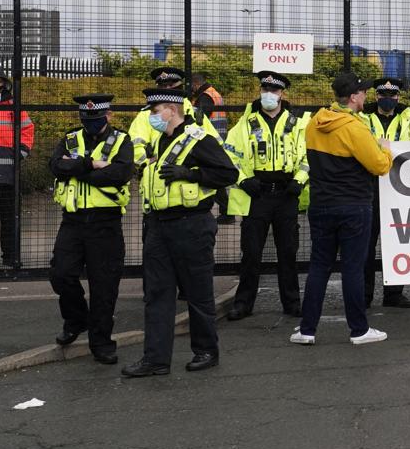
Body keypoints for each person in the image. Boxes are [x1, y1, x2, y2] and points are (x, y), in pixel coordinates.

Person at [123, 85, 238, 377]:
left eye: (155, 110)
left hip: (192, 224)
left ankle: (206, 351)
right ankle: (155, 359)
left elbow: (228, 173)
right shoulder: (162, 141)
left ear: (172, 110)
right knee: (158, 294)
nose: (151, 116)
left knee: (198, 293)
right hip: (160, 225)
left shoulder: (200, 139)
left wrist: (192, 173)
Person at [292, 72, 392, 346]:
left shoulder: (314, 123)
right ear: (353, 97)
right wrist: (385, 149)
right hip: (353, 206)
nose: (366, 96)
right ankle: (359, 330)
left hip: (321, 204)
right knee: (352, 268)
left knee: (319, 267)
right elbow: (379, 166)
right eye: (363, 92)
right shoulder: (354, 127)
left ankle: (307, 329)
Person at [48, 94, 133, 364]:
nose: (91, 124)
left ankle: (101, 342)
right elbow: (55, 166)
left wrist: (76, 170)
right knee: (60, 275)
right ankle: (76, 320)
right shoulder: (71, 138)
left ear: (107, 116)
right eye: (86, 120)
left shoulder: (121, 140)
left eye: (96, 119)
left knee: (104, 286)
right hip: (72, 222)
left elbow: (120, 173)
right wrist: (90, 164)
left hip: (104, 224)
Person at [223, 71, 308, 321]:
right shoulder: (245, 123)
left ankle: (292, 303)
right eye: (265, 90)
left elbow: (307, 157)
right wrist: (243, 180)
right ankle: (243, 304)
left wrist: (299, 181)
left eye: (274, 91)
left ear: (282, 94)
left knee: (288, 252)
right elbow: (229, 155)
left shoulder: (297, 124)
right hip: (256, 195)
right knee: (250, 252)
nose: (268, 95)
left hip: (286, 194)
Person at [361, 77, 410, 309]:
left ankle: (394, 294)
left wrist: (382, 147)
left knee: (397, 241)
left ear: (398, 97)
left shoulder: (408, 117)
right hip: (370, 186)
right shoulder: (363, 117)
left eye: (392, 96)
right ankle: (364, 294)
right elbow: (360, 145)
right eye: (382, 95)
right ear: (376, 96)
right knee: (366, 243)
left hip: (398, 187)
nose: (387, 99)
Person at [127, 67, 220, 169]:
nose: (167, 89)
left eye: (171, 85)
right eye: (163, 86)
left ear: (180, 86)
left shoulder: (196, 113)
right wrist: (148, 163)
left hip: (188, 179)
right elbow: (135, 145)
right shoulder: (146, 114)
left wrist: (194, 170)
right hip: (156, 175)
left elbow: (216, 146)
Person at [0, 70, 33, 267]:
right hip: (8, 170)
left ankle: (10, 257)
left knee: (9, 218)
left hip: (8, 173)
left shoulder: (13, 104)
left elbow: (27, 128)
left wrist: (20, 153)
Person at [191, 73, 232, 224]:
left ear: (195, 84)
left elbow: (199, 119)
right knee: (213, 174)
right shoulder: (212, 93)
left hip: (209, 140)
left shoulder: (205, 97)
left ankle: (227, 211)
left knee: (211, 175)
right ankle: (226, 211)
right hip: (217, 138)